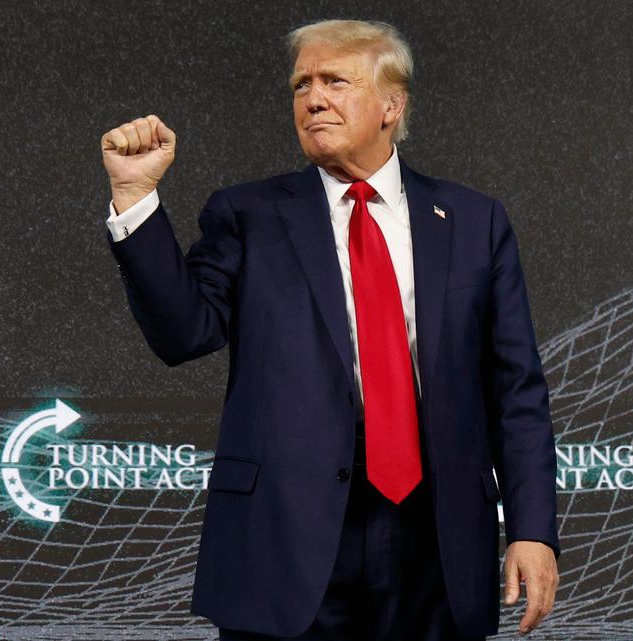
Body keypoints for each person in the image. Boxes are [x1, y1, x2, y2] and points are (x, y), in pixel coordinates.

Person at [99, 18, 559, 641]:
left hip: (438, 541)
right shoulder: (248, 214)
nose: (313, 98)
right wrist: (135, 199)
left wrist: (532, 529)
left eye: (335, 82)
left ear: (392, 105)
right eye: (301, 85)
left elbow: (516, 392)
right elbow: (184, 334)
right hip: (288, 541)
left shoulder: (475, 221)